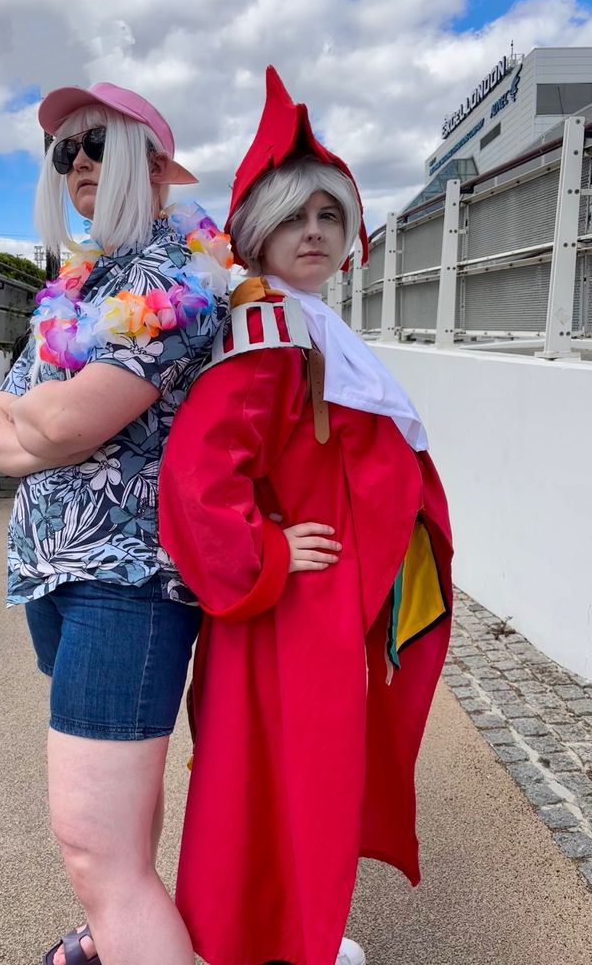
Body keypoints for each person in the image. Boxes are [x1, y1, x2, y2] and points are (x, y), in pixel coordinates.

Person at [158, 67, 453, 965]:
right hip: (283, 612)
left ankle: (290, 934)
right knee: (283, 779)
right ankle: (279, 942)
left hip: (316, 610)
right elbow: (198, 486)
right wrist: (273, 553)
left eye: (329, 215)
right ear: (257, 234)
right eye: (294, 217)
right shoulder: (264, 340)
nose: (315, 233)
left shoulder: (311, 327)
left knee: (297, 779)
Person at [0, 80, 232, 965]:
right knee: (122, 832)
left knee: (94, 849)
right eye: (64, 152)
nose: (78, 163)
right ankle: (121, 934)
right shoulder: (81, 281)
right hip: (53, 573)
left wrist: (39, 421)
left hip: (126, 584)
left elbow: (61, 424)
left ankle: (125, 928)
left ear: (154, 164)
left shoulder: (176, 271)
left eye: (97, 144)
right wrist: (40, 422)